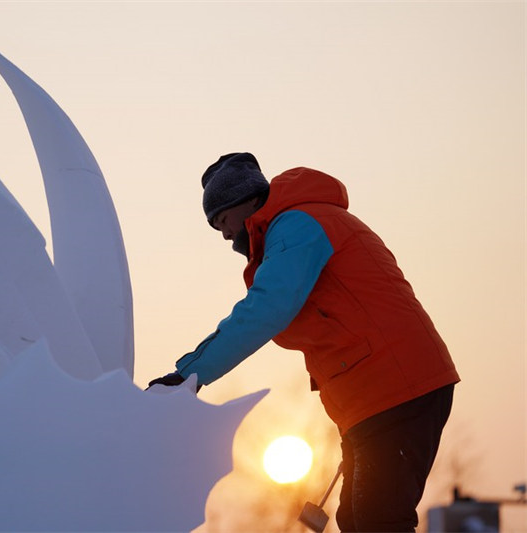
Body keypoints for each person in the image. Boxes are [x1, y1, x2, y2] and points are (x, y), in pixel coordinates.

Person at [148, 153, 460, 532]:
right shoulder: (297, 228)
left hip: (398, 388)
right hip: (376, 397)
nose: (225, 235)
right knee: (357, 520)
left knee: (379, 520)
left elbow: (268, 307)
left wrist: (188, 375)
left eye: (222, 221)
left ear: (244, 202)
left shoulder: (299, 225)